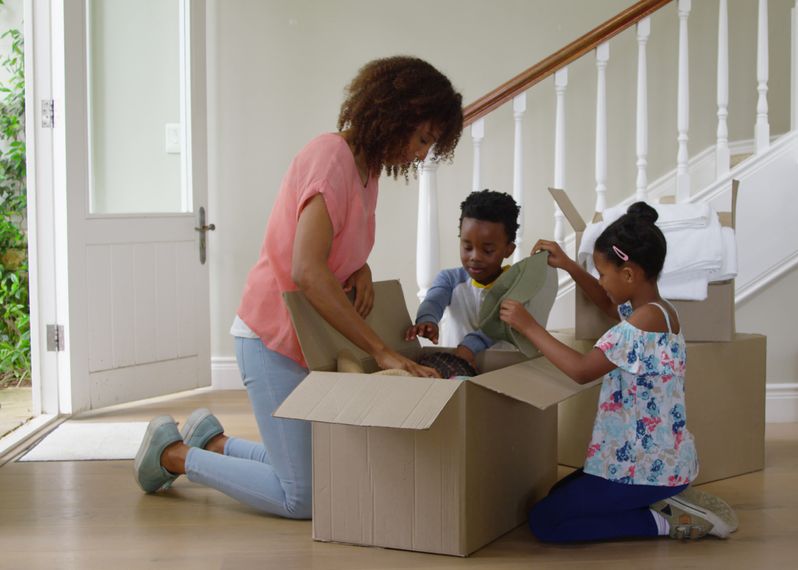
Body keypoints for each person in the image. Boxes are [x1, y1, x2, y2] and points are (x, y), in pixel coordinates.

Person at [132, 56, 464, 519]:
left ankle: (212, 441)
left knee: (323, 468)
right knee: (303, 497)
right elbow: (307, 271)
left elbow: (335, 250)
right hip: (271, 338)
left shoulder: (367, 173)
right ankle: (174, 455)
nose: (421, 153)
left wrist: (362, 269)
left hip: (305, 339)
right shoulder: (330, 158)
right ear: (396, 114)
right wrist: (382, 352)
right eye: (422, 138)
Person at [499, 202, 739, 542]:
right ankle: (664, 501)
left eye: (602, 272)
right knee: (558, 494)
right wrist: (569, 265)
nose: (600, 280)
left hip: (644, 470)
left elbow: (582, 370)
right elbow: (608, 303)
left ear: (628, 274)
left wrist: (529, 326)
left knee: (545, 521)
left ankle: (667, 522)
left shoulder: (641, 326)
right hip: (650, 462)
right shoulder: (655, 310)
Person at [405, 189, 521, 368]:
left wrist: (469, 347)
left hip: (502, 372)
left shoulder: (517, 284)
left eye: (487, 250)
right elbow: (433, 301)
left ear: (509, 250)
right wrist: (427, 320)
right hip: (455, 369)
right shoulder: (450, 279)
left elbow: (498, 326)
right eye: (467, 247)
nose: (475, 256)